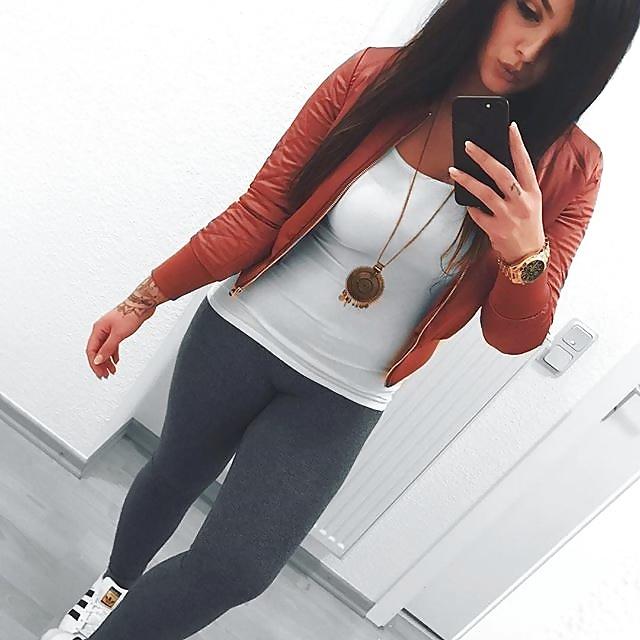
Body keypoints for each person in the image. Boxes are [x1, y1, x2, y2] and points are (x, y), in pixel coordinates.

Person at [42, 0, 638, 638]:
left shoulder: (570, 168)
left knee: (236, 568)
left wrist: (524, 253)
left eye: (562, 44)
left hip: (343, 394)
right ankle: (108, 593)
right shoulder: (372, 78)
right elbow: (260, 211)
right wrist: (143, 299)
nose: (529, 50)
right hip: (239, 335)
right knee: (173, 474)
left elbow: (514, 335)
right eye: (529, 11)